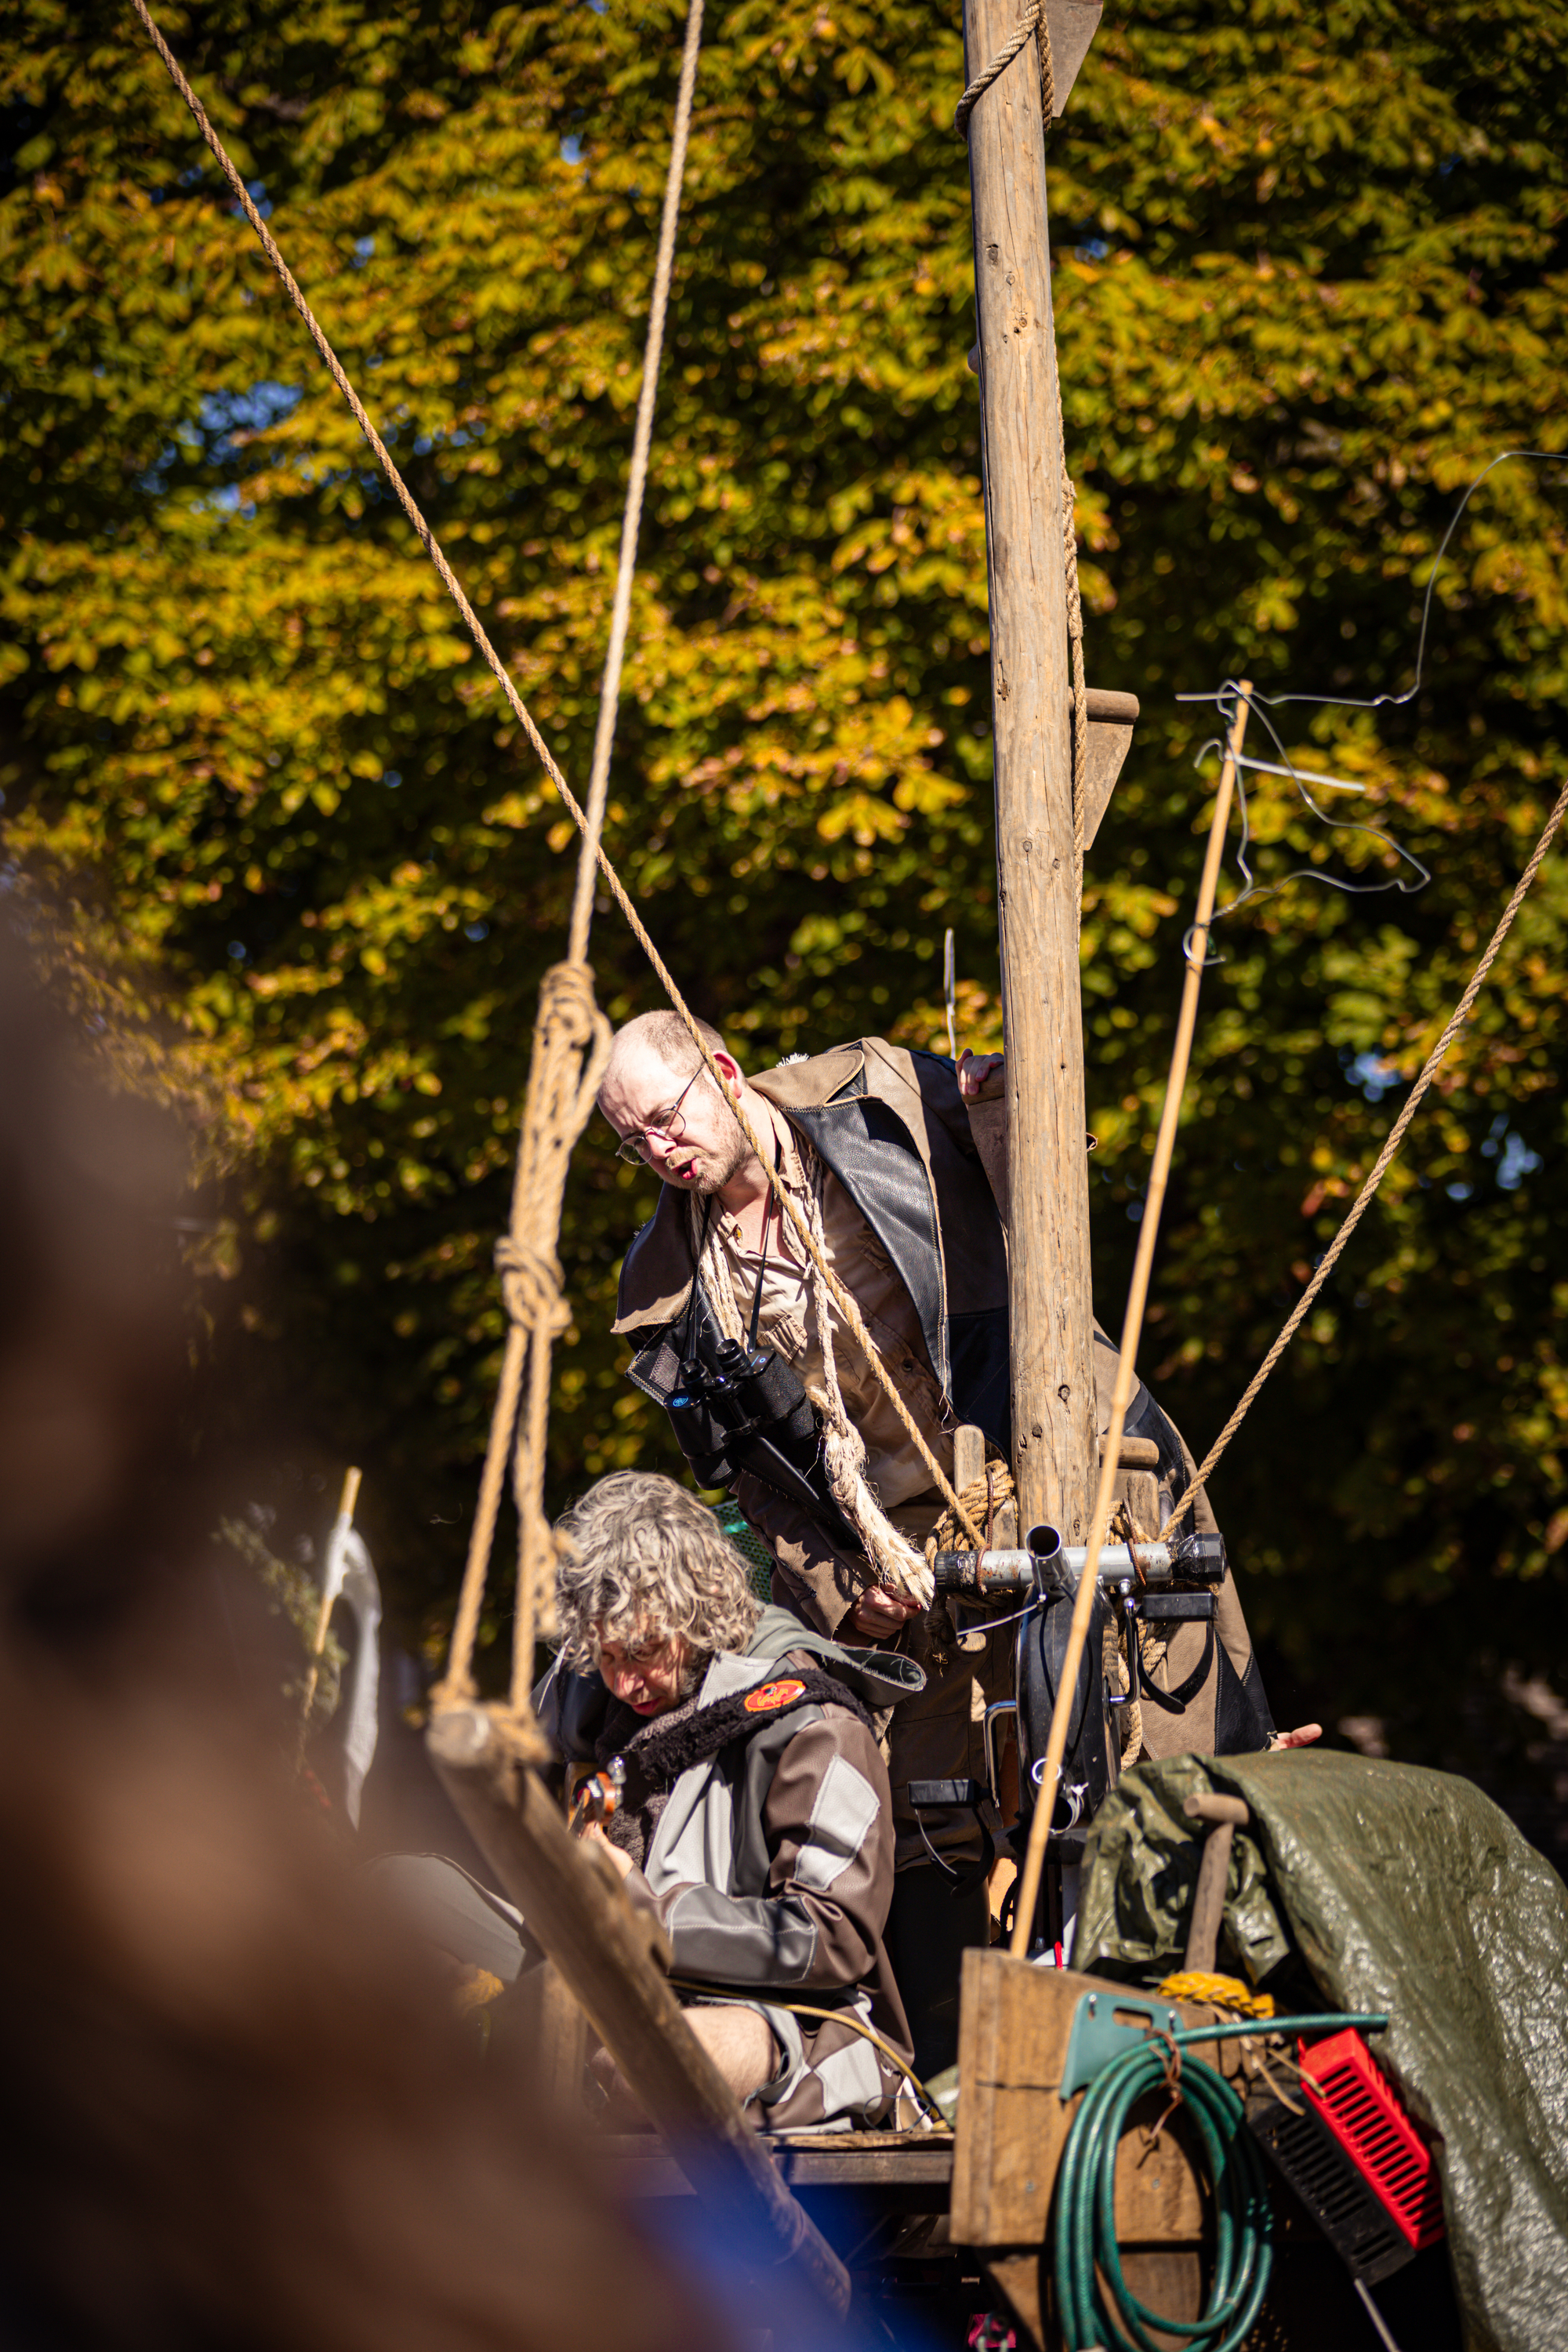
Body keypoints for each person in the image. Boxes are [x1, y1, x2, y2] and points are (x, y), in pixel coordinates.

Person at [597, 1012, 1317, 2070]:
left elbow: (1038, 1189)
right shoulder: (671, 1288)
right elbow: (756, 1492)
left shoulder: (884, 1112)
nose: (661, 1151)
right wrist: (846, 1589)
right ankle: (952, 2078)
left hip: (1051, 1479)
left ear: (722, 1071)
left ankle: (1206, 2053)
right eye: (634, 1140)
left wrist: (1004, 1109)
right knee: (928, 1813)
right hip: (895, 1559)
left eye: (667, 1117)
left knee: (1137, 1762)